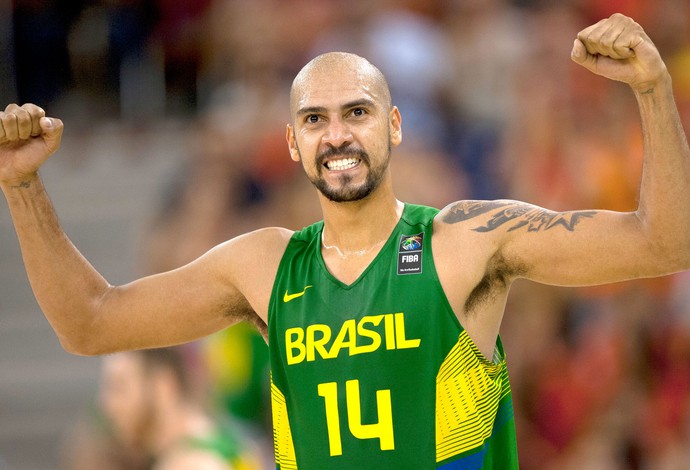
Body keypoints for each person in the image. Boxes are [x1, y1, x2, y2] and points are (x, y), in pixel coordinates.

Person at [1, 13, 689, 469]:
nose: (336, 134)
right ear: (295, 145)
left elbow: (664, 243)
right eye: (315, 119)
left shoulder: (468, 240)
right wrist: (23, 187)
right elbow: (89, 323)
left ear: (393, 126)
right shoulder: (263, 266)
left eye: (356, 112)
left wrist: (655, 92)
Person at [63, 347, 261, 470]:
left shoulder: (189, 464)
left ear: (163, 385)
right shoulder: (228, 441)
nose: (106, 404)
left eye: (119, 386)